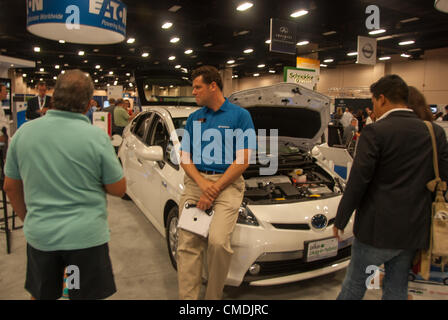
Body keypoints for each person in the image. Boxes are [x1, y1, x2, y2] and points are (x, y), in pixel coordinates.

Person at [3, 69, 126, 300]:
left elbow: (10, 186)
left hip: (42, 238)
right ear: (89, 103)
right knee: (80, 293)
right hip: (84, 243)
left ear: (53, 95)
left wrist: (29, 219)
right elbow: (118, 188)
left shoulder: (23, 134)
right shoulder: (95, 137)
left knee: (44, 294)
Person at [333, 74, 448, 300]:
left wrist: (341, 219)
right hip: (414, 229)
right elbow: (443, 177)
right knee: (397, 288)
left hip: (376, 231)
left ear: (382, 99)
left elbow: (358, 182)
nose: (373, 107)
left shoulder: (375, 132)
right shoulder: (434, 132)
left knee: (355, 285)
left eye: (373, 101)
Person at [177, 65, 255, 300]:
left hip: (228, 184)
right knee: (188, 243)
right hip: (196, 183)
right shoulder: (194, 118)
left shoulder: (241, 116)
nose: (194, 92)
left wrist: (214, 189)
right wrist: (203, 185)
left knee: (218, 243)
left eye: (197, 87)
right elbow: (184, 157)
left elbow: (243, 161)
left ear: (213, 86)